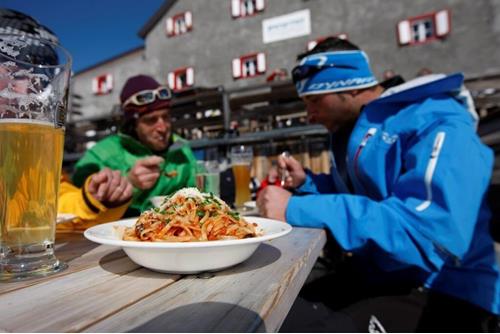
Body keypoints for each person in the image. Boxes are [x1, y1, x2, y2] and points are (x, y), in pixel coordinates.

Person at [257, 37, 500, 332]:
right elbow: (365, 199)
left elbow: (426, 233)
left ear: (352, 86)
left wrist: (295, 208)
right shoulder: (365, 128)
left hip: (448, 287)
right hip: (384, 274)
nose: (309, 114)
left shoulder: (438, 121)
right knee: (268, 313)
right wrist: (307, 183)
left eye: (314, 100)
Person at [0, 8, 133, 230]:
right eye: (20, 73)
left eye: (40, 82)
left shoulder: (29, 147)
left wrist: (93, 200)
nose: (30, 93)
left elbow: (47, 202)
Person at [72, 75, 197, 217]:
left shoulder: (181, 148)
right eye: (151, 120)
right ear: (133, 125)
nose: (162, 127)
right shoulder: (101, 154)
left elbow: (200, 193)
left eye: (166, 117)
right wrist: (129, 182)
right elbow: (76, 204)